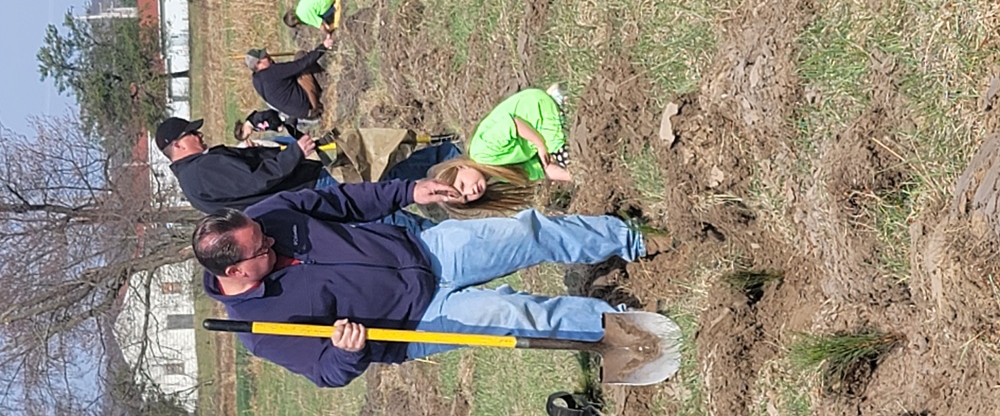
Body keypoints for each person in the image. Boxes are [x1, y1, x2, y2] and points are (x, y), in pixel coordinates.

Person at [192, 180, 670, 388]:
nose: (272, 242)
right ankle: (643, 341)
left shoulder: (265, 218)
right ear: (233, 272)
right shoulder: (259, 329)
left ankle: (633, 239)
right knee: (524, 317)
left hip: (423, 250)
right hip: (418, 324)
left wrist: (407, 192)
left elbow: (341, 202)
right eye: (262, 251)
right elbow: (325, 373)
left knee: (526, 231)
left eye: (264, 235)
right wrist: (344, 351)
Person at [428, 85, 570, 217]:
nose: (470, 191)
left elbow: (513, 124)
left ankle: (555, 101)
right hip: (540, 134)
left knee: (565, 156)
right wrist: (573, 175)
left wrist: (540, 145)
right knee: (570, 164)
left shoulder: (482, 151)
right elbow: (542, 169)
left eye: (462, 185)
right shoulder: (498, 173)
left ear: (461, 167)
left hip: (535, 111)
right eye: (466, 198)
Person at [156, 117, 337, 213]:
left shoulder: (191, 184)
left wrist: (248, 154)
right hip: (307, 187)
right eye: (192, 133)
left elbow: (241, 185)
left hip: (295, 203)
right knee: (361, 196)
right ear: (178, 145)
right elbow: (255, 180)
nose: (199, 135)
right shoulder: (200, 170)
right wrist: (294, 153)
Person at [246, 35, 334, 120]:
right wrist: (323, 46)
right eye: (265, 57)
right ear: (258, 64)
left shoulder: (256, 80)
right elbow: (301, 64)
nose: (269, 56)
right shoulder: (271, 72)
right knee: (301, 56)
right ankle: (326, 81)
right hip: (310, 107)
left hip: (305, 115)